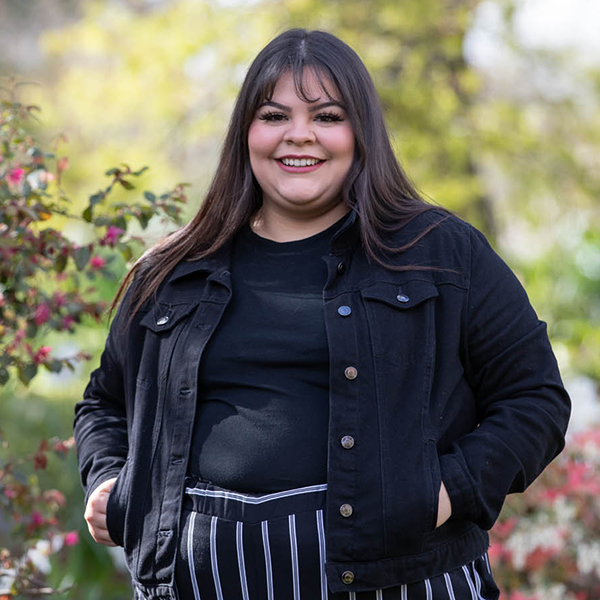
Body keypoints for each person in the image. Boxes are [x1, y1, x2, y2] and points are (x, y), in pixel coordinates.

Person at [74, 28, 571, 600]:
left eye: (327, 116)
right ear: (245, 133)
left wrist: (444, 493)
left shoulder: (441, 254)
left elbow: (535, 400)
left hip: (398, 581)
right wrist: (108, 479)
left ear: (361, 133)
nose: (299, 134)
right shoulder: (173, 270)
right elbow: (104, 403)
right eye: (274, 115)